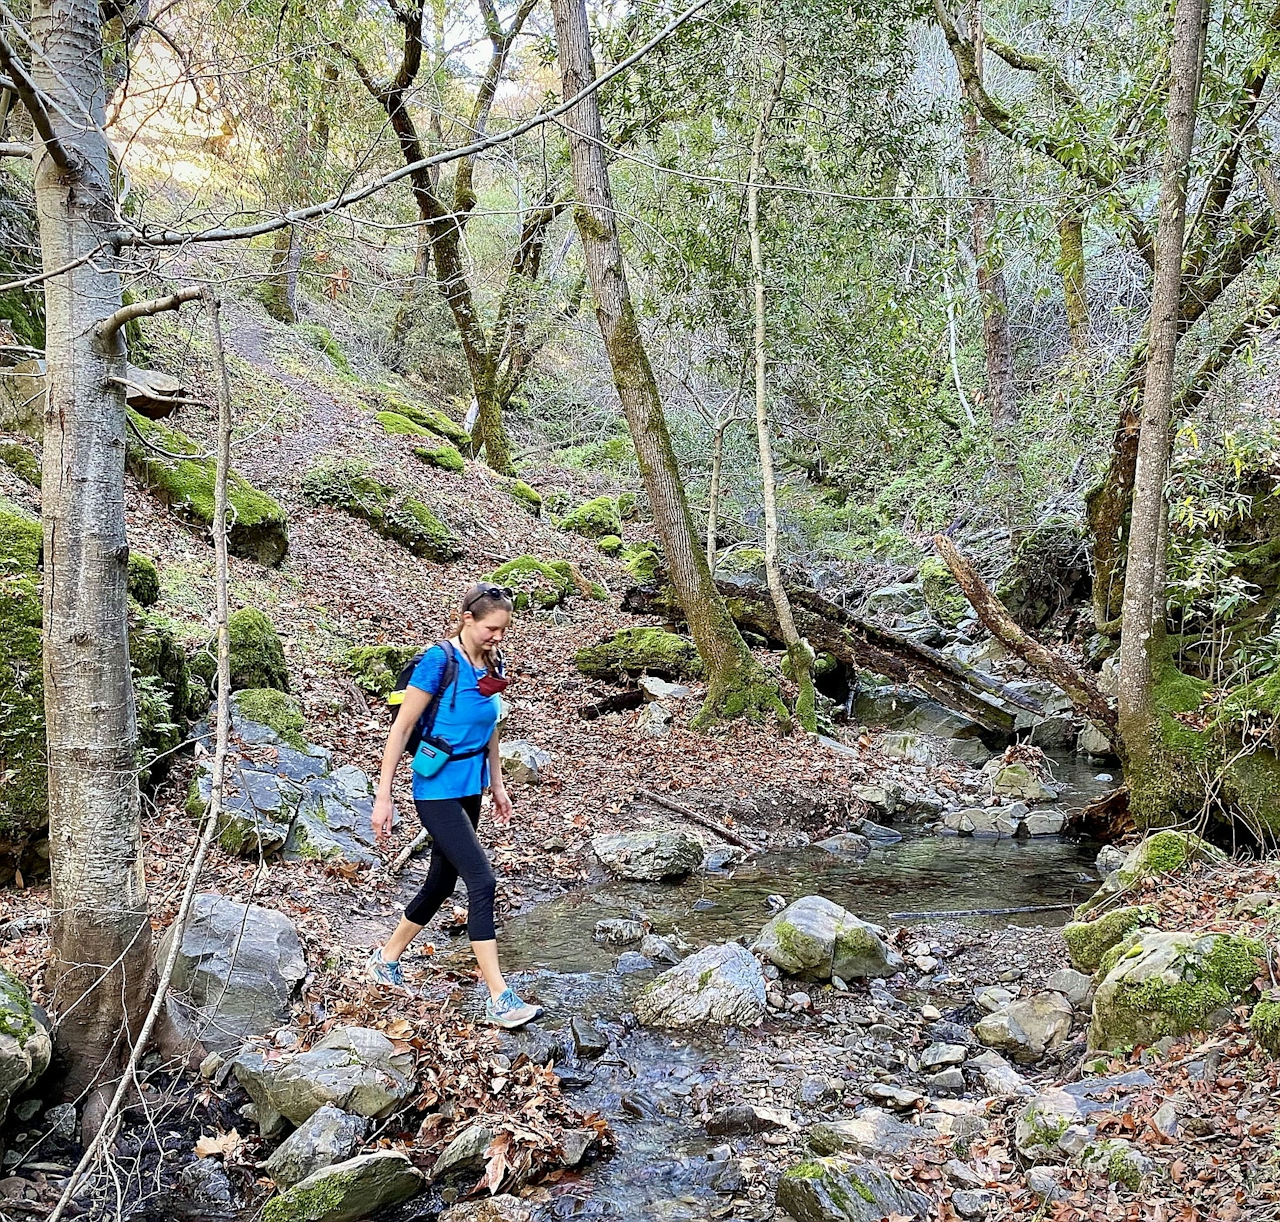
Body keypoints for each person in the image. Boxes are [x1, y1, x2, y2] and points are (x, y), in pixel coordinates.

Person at [368, 582, 542, 1029]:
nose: (498, 637)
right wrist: (383, 795)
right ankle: (499, 998)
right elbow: (401, 729)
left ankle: (385, 959)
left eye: (503, 629)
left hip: (470, 786)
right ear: (467, 618)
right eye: (491, 628)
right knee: (482, 881)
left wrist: (497, 784)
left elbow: (491, 726)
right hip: (435, 789)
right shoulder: (437, 662)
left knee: (443, 882)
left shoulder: (490, 660)